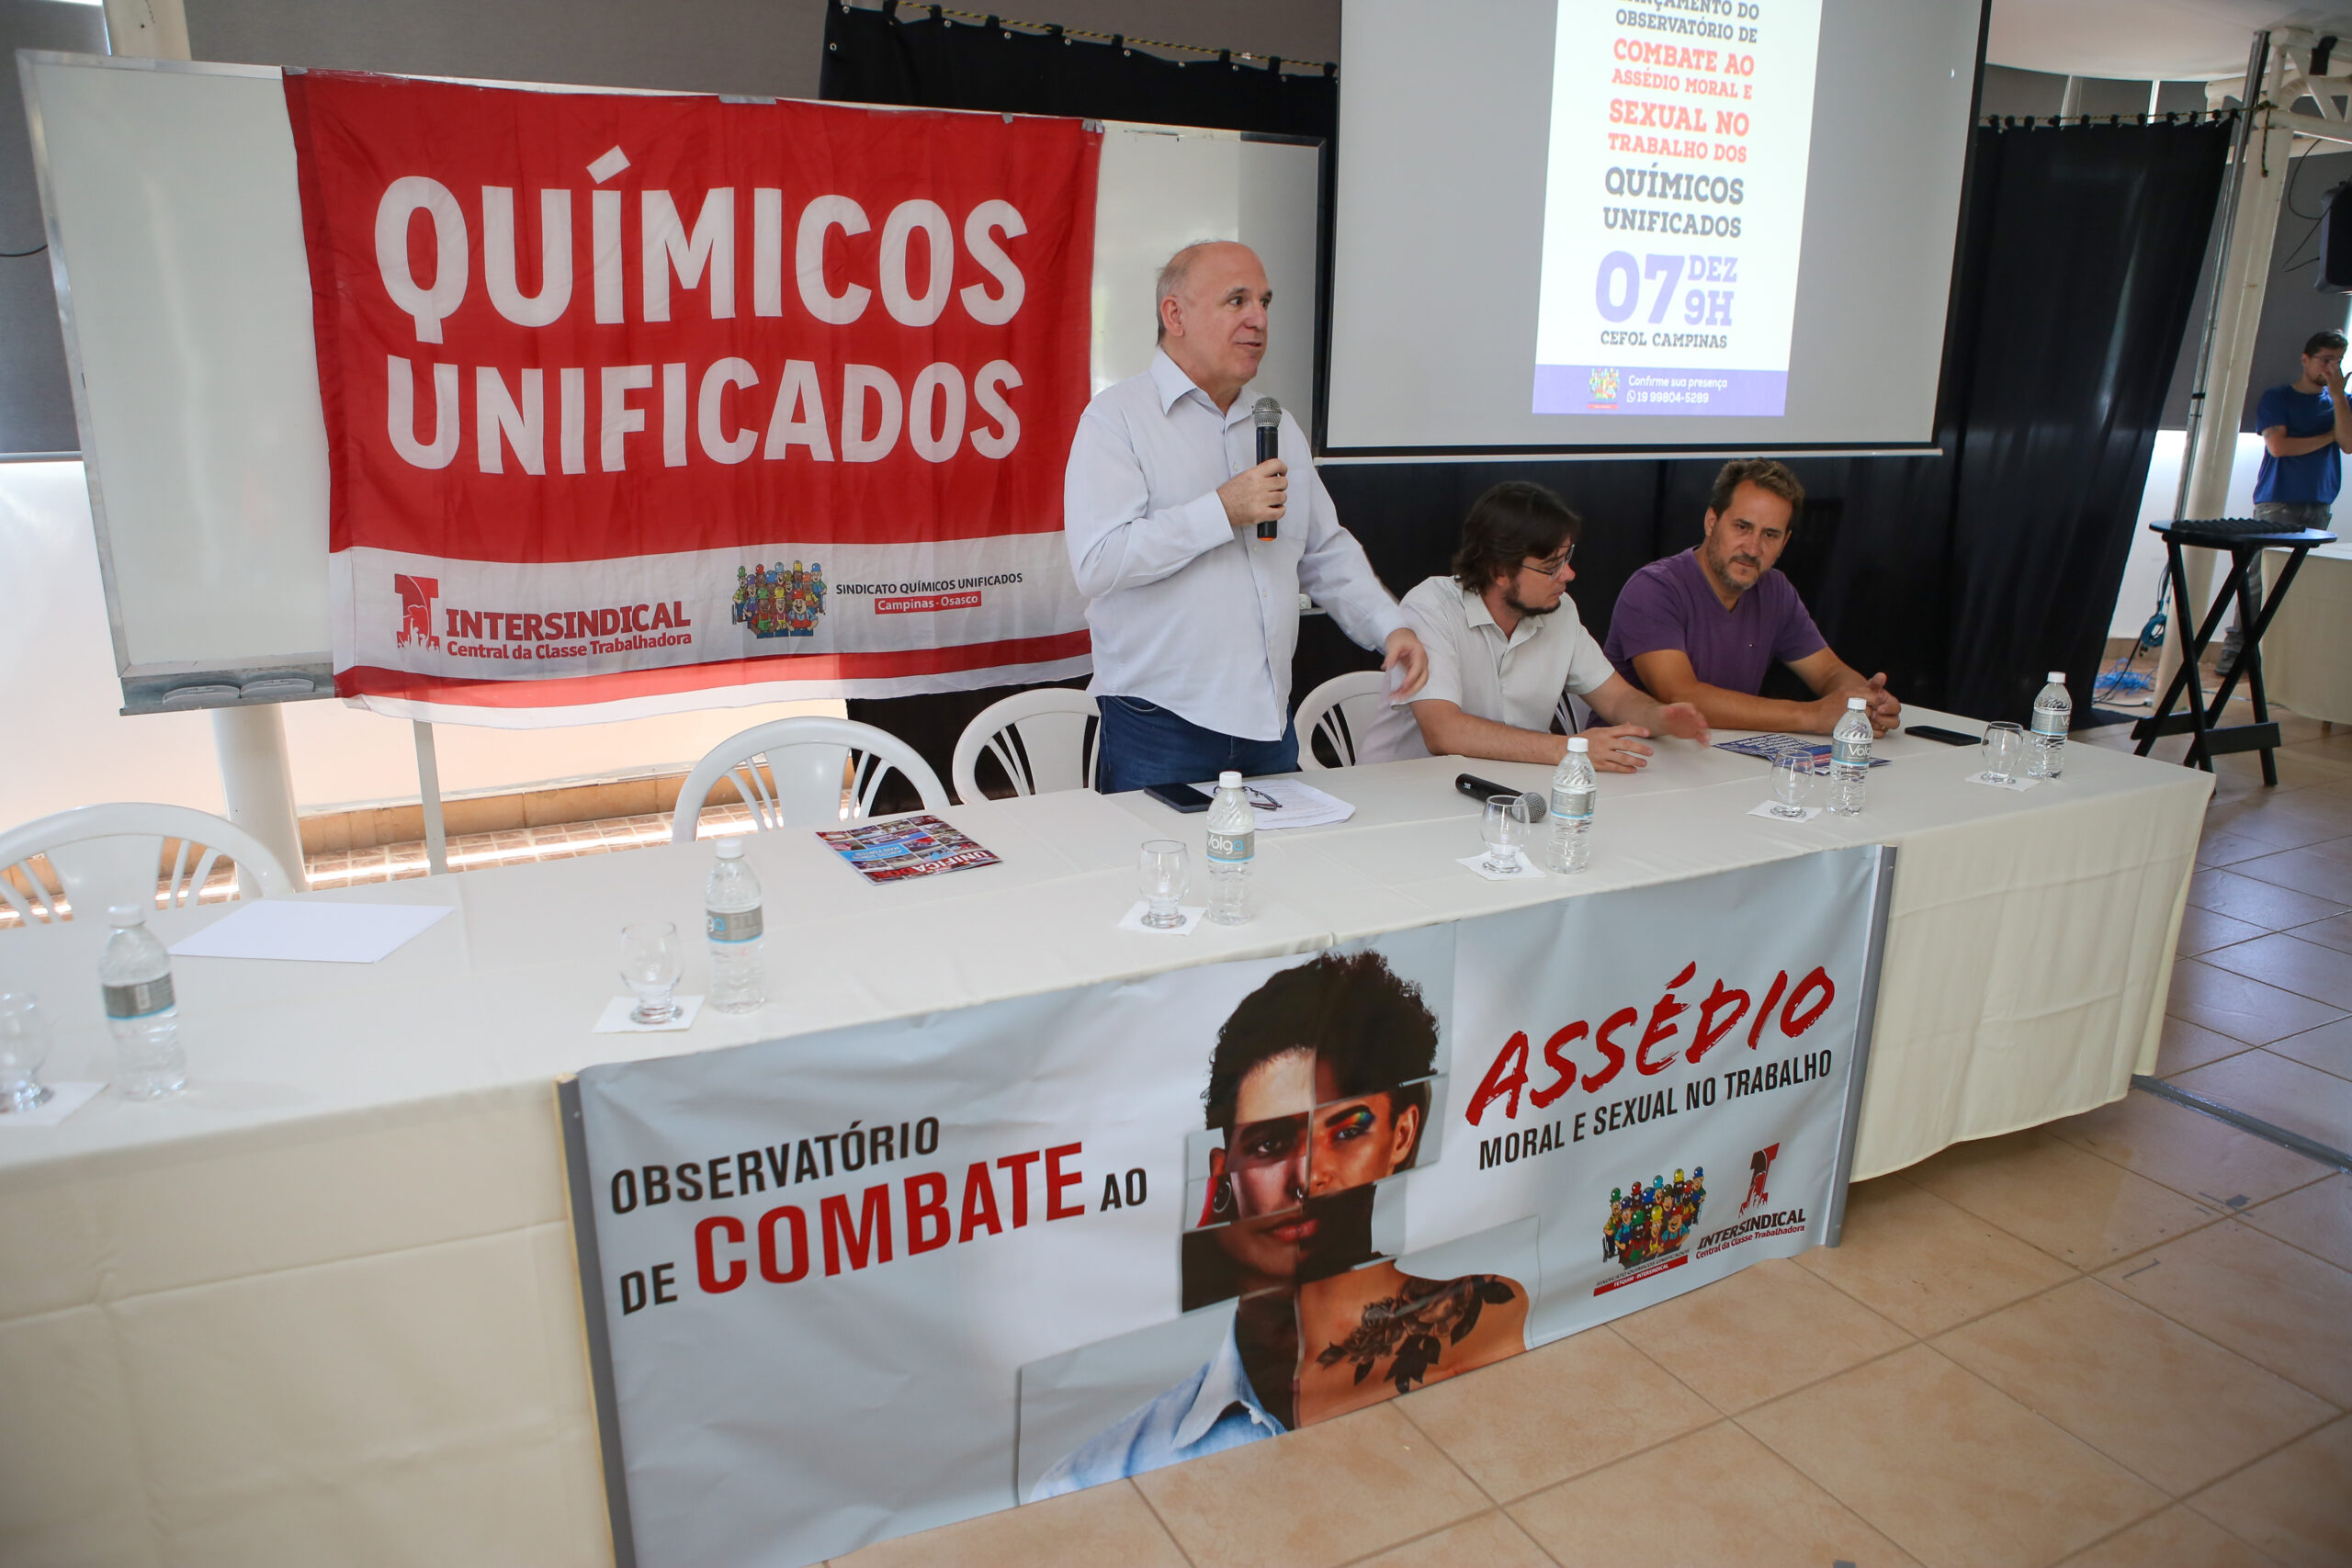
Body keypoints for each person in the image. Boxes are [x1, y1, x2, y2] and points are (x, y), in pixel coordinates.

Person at [1031, 952, 1525, 1497]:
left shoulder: (1483, 1316)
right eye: (1270, 1144)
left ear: (1402, 1136)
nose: (1307, 1176)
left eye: (1347, 1131)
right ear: (1222, 1173)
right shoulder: (1094, 1475)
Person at [1064, 242, 1427, 792]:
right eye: (1237, 301)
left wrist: (1388, 626)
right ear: (1175, 315)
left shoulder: (1276, 423)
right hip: (1159, 724)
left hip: (1267, 720)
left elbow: (1324, 550)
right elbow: (1098, 562)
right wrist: (1222, 510)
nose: (1258, 319)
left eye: (1264, 302)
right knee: (1158, 853)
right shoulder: (1117, 420)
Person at [1355, 480, 1710, 770]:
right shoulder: (1431, 606)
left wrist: (1662, 717)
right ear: (1500, 571)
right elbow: (1444, 733)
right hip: (1400, 796)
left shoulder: (1560, 610)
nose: (1568, 575)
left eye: (1567, 558)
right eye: (1551, 566)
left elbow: (1617, 699)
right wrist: (1570, 749)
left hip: (1502, 792)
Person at [1602, 458, 1900, 737]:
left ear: (1785, 542)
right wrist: (1813, 716)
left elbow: (1829, 672)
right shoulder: (1654, 588)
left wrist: (1864, 703)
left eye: (1770, 535)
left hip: (1726, 757)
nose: (1753, 549)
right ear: (1711, 521)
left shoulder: (1775, 590)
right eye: (1742, 527)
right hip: (1640, 759)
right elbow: (1679, 695)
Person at [2224, 329, 2352, 671]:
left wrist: (2337, 398)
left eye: (2338, 361)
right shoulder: (2278, 397)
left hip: (2319, 504)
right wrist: (2328, 436)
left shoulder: (2343, 401)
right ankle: (2234, 655)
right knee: (2258, 580)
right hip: (2278, 501)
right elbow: (2279, 447)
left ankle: (2281, 661)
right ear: (2306, 359)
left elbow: (2349, 443)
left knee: (2301, 584)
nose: (2332, 368)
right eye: (2325, 360)